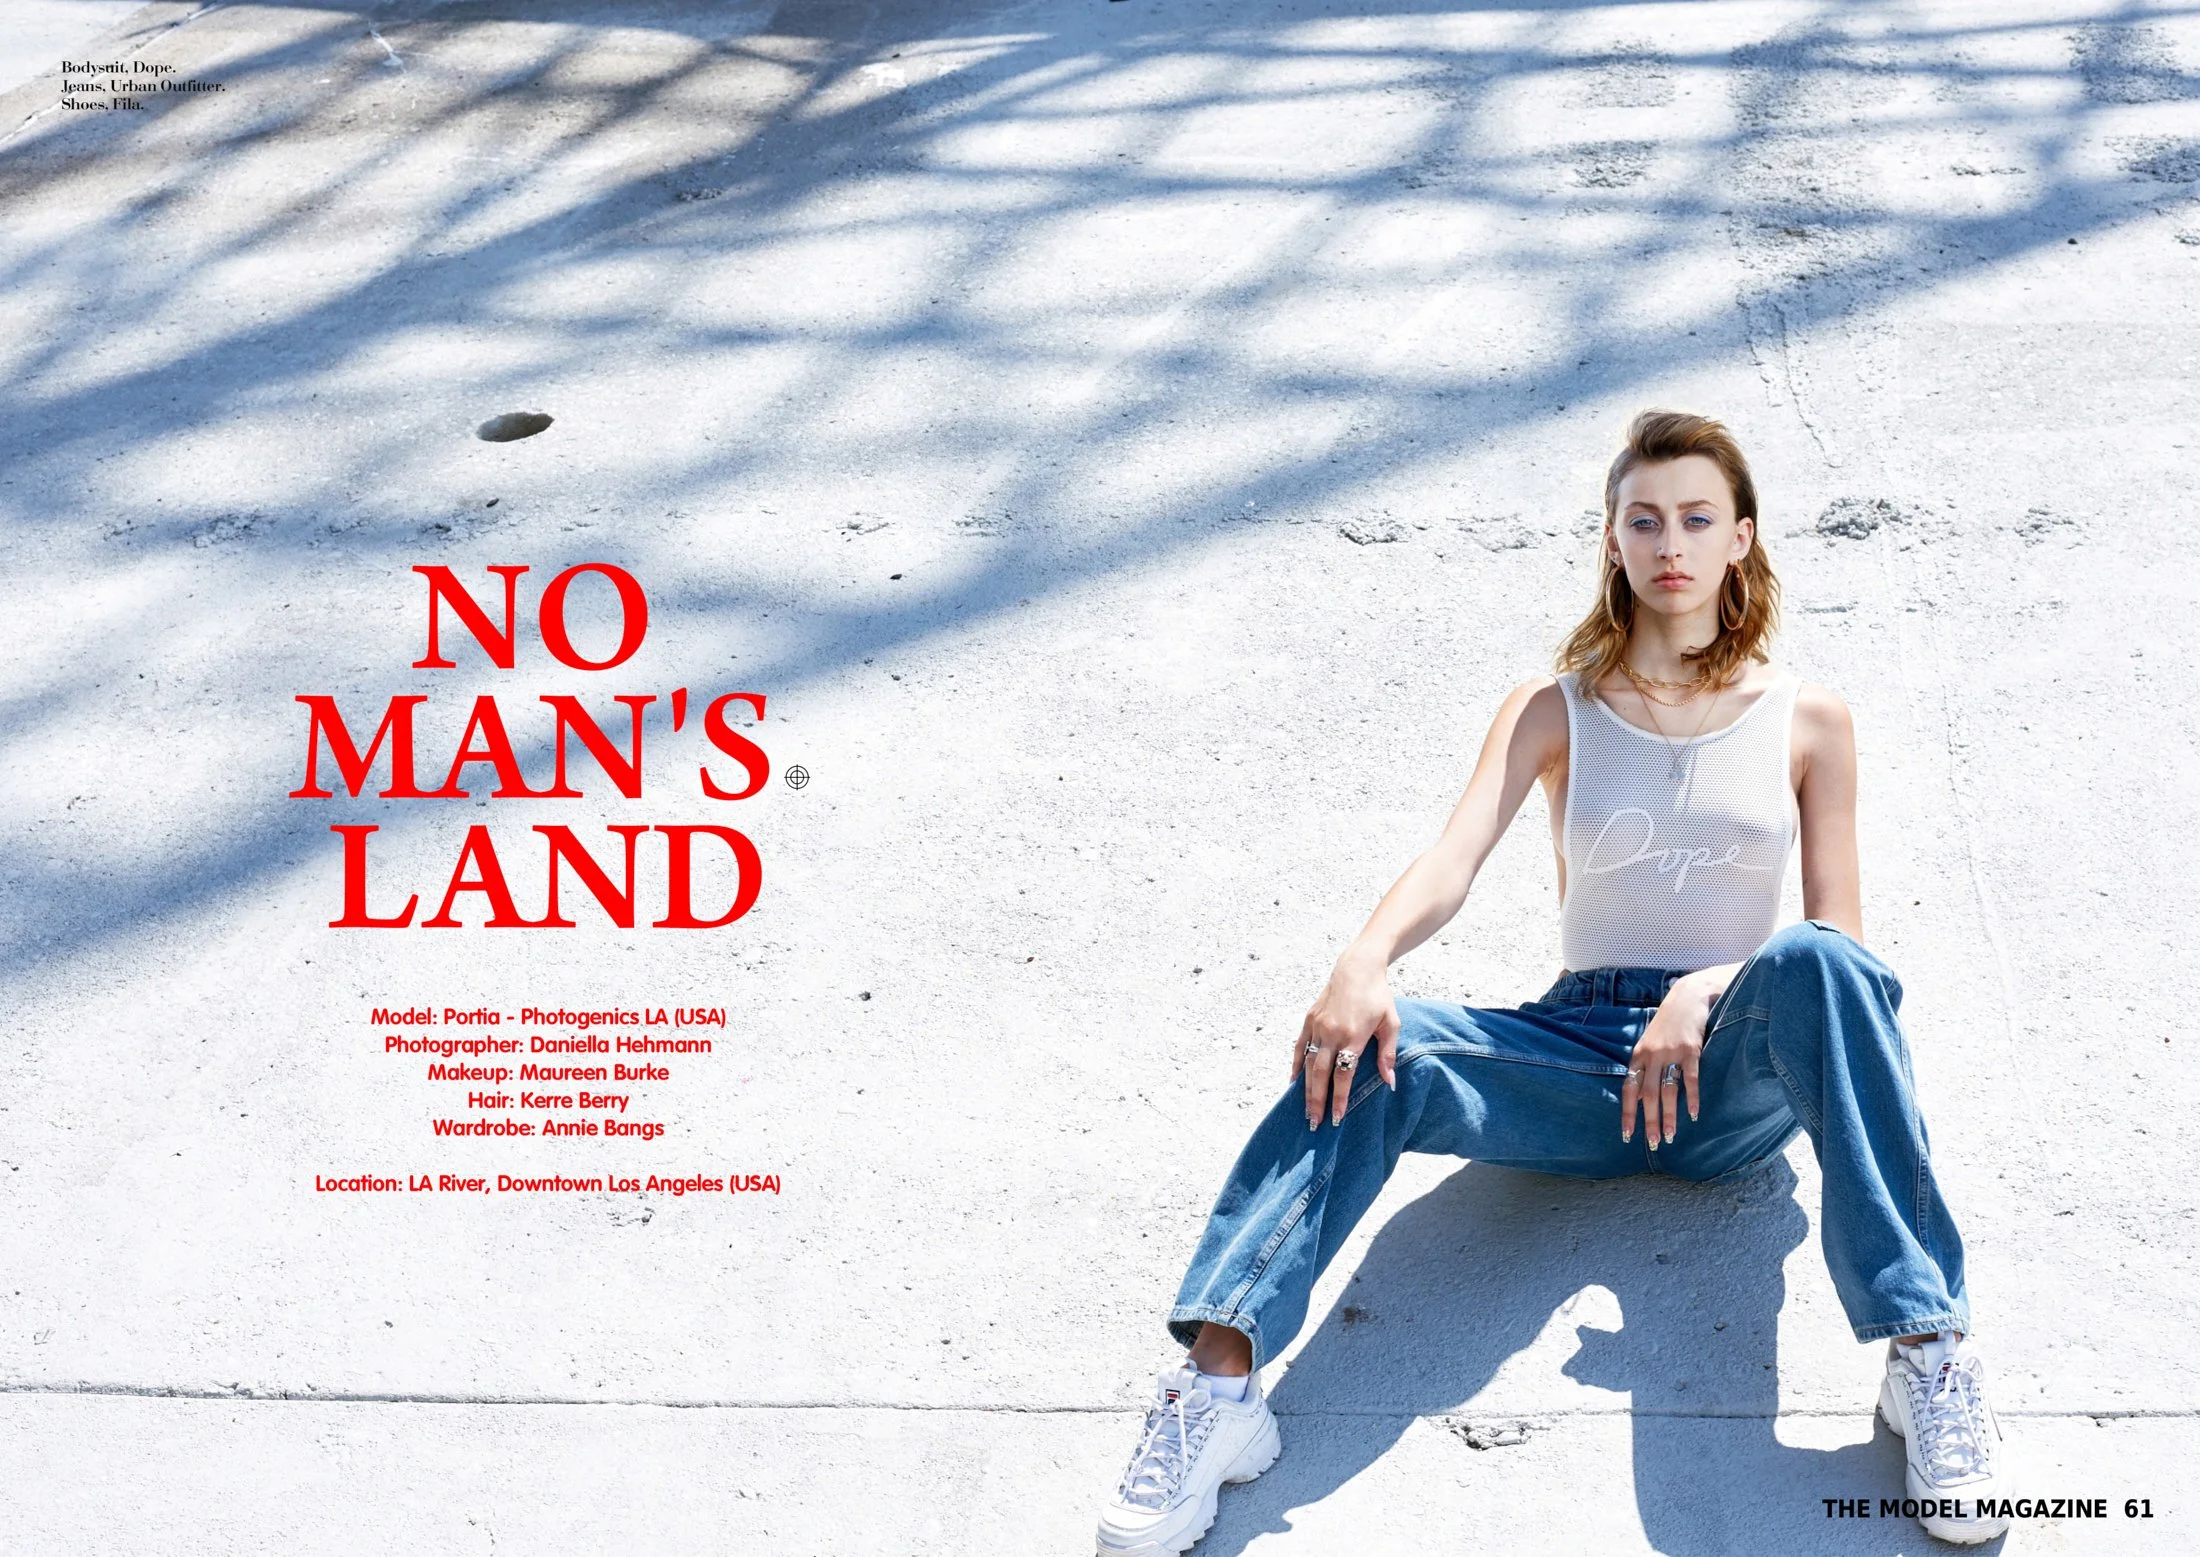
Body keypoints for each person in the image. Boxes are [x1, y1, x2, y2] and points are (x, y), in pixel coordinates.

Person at [1093, 410, 2009, 1555]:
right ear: (1614, 542)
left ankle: (1923, 1349)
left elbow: (1843, 943)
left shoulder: (1808, 720)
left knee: (1823, 965)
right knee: (1389, 1040)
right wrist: (1362, 962)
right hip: (1576, 1062)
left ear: (1740, 539)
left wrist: (1710, 990)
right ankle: (1217, 1391)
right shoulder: (1552, 708)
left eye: (1694, 517)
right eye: (1642, 519)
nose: (1668, 541)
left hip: (1734, 1067)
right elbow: (1453, 855)